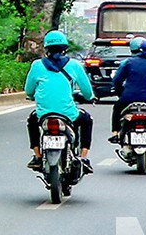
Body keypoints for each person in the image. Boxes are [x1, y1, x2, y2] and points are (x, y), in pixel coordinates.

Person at [24, 29, 95, 172]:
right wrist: (90, 98)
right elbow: (87, 92)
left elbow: (29, 90)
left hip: (43, 115)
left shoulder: (37, 65)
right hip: (69, 115)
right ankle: (83, 158)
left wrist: (31, 96)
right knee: (87, 120)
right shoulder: (74, 65)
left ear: (46, 48)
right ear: (65, 48)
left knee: (32, 121)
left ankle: (37, 156)